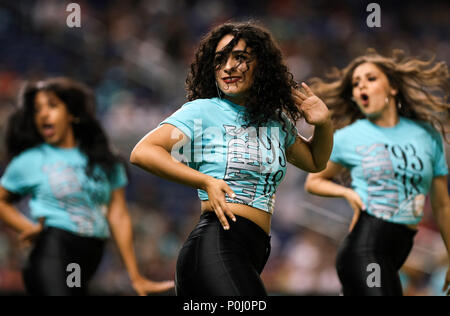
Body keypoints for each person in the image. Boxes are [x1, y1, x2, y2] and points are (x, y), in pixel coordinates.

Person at [130, 21, 333, 296]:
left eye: (240, 58)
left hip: (252, 251)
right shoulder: (202, 111)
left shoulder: (276, 121)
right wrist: (206, 182)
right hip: (216, 244)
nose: (228, 67)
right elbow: (143, 151)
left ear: (261, 66)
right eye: (220, 59)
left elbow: (314, 161)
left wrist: (323, 125)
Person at [0, 77, 174, 296]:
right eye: (38, 109)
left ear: (73, 114)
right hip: (54, 246)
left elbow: (118, 215)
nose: (44, 114)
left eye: (52, 106)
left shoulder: (104, 161)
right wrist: (28, 228)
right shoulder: (33, 159)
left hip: (88, 253)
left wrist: (134, 274)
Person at [304, 49, 450, 296]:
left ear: (392, 87)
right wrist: (347, 194)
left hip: (397, 252)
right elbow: (314, 181)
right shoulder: (348, 137)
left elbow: (442, 204)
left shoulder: (428, 135)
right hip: (365, 247)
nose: (362, 86)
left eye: (371, 79)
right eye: (356, 83)